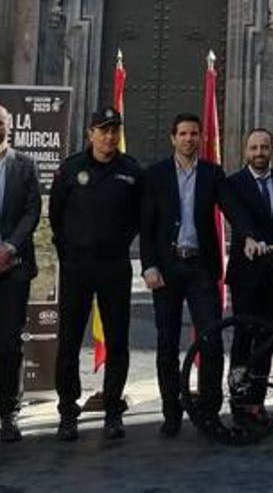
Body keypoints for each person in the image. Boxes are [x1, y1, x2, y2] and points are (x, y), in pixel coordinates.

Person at [140, 113, 263, 437]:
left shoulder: (212, 173)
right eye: (183, 133)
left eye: (195, 133)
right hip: (166, 270)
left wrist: (248, 235)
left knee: (210, 342)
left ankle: (209, 412)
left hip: (200, 269)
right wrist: (148, 265)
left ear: (200, 138)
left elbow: (232, 207)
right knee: (167, 344)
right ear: (173, 138)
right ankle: (171, 413)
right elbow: (147, 225)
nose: (189, 139)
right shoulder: (155, 175)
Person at [48, 107, 143, 441]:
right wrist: (71, 251)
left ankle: (113, 411)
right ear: (90, 133)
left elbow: (139, 217)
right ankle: (68, 413)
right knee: (70, 341)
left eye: (114, 129)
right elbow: (55, 216)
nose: (109, 136)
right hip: (77, 268)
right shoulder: (70, 168)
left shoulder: (131, 171)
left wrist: (117, 244)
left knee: (118, 341)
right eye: (103, 130)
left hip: (115, 267)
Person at [225, 128, 273, 425]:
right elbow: (239, 217)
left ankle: (257, 402)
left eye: (264, 147)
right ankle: (238, 401)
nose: (259, 153)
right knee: (244, 336)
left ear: (272, 150)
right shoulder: (233, 184)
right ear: (245, 151)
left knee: (268, 338)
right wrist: (251, 236)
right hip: (246, 273)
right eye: (254, 148)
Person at [0, 104, 40, 443]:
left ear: (9, 127)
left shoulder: (25, 166)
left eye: (0, 122)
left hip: (13, 267)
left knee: (10, 343)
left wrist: (9, 247)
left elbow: (32, 211)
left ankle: (8, 413)